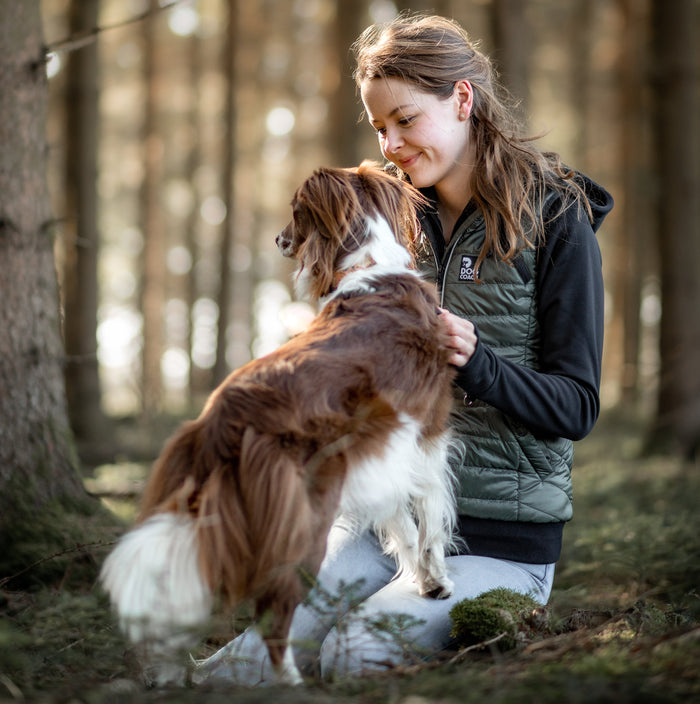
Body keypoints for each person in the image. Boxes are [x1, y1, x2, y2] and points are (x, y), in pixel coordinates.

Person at [194, 12, 613, 684]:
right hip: (379, 525)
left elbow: (578, 406)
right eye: (378, 127)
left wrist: (477, 364)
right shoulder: (394, 221)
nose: (389, 144)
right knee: (247, 660)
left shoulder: (559, 221)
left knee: (353, 651)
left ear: (463, 100)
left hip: (499, 545)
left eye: (405, 120)